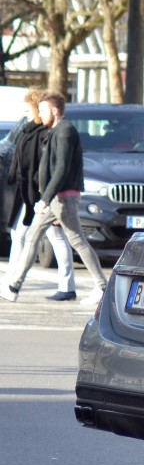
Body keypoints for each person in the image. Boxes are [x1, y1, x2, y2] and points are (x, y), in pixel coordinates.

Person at [3, 93, 110, 305]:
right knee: (32, 236)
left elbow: (61, 168)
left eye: (42, 110)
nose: (39, 115)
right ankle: (13, 286)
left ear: (54, 110)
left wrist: (45, 198)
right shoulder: (56, 131)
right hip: (56, 199)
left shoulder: (65, 131)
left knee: (77, 241)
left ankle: (102, 287)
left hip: (62, 198)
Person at [4, 88, 77, 301]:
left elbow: (51, 167)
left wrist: (46, 197)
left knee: (60, 238)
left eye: (28, 109)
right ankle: (12, 283)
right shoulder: (28, 130)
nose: (25, 114)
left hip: (41, 194)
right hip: (30, 193)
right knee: (22, 236)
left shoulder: (46, 133)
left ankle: (68, 285)